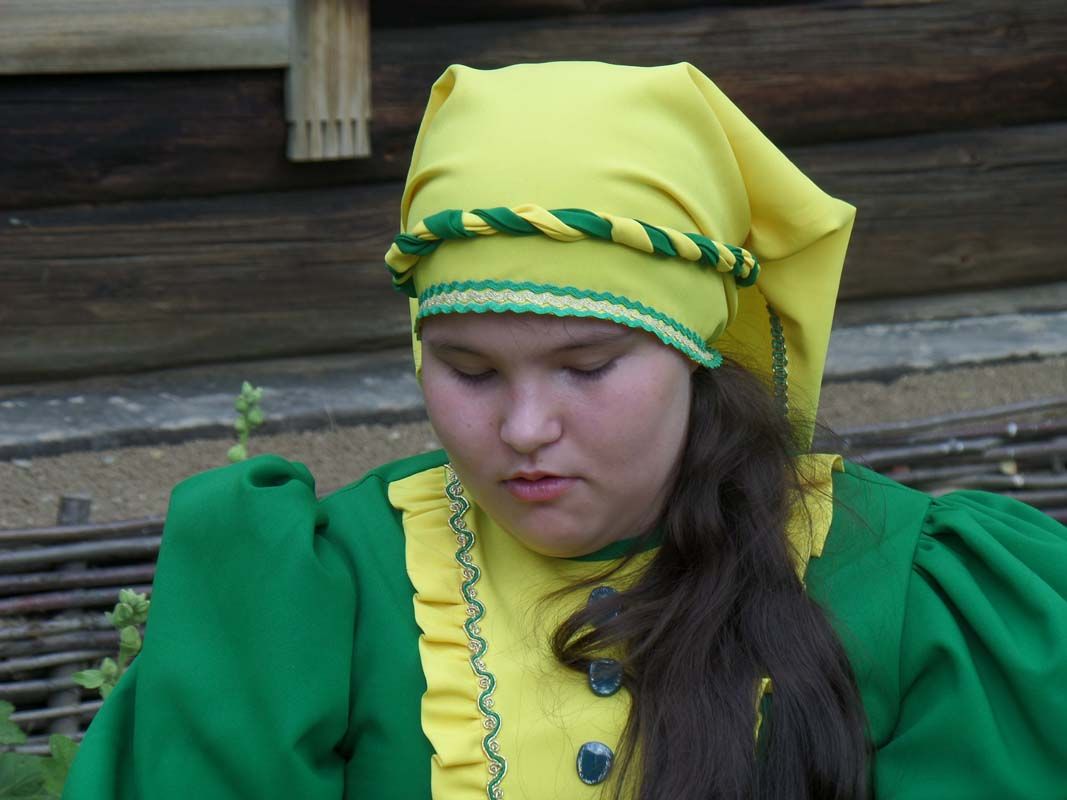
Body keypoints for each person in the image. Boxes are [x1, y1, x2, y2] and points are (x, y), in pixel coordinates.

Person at [62, 61, 1067, 800]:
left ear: (695, 350)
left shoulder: (905, 592)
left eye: (587, 367)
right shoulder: (320, 596)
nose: (524, 427)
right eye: (468, 371)